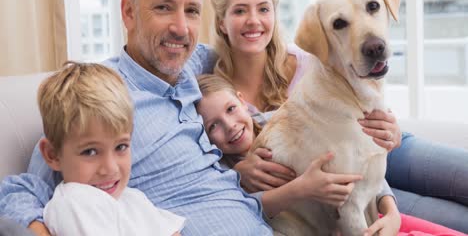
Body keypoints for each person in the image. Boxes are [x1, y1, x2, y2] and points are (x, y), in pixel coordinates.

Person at [0, 0, 359, 235]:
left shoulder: (193, 64)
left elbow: (254, 58)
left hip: (264, 219)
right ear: (128, 13)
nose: (181, 28)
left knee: (382, 162)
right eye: (163, 8)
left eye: (191, 11)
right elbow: (23, 188)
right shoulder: (101, 96)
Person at [209, 0, 468, 233]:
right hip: (346, 182)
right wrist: (238, 173)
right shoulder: (217, 96)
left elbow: (368, 97)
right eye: (240, 11)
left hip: (386, 147)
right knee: (458, 220)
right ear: (221, 22)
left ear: (274, 15)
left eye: (263, 9)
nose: (254, 20)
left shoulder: (311, 59)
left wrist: (393, 132)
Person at [195, 73, 466, 236]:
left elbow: (354, 154)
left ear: (243, 102)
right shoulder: (222, 174)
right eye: (213, 126)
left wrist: (391, 210)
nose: (229, 126)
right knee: (456, 222)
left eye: (231, 109)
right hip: (352, 204)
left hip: (375, 173)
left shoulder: (279, 121)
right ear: (203, 137)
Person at [36, 62, 185, 236]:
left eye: (121, 147)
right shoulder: (73, 202)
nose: (110, 168)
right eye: (90, 151)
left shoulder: (132, 198)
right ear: (52, 155)